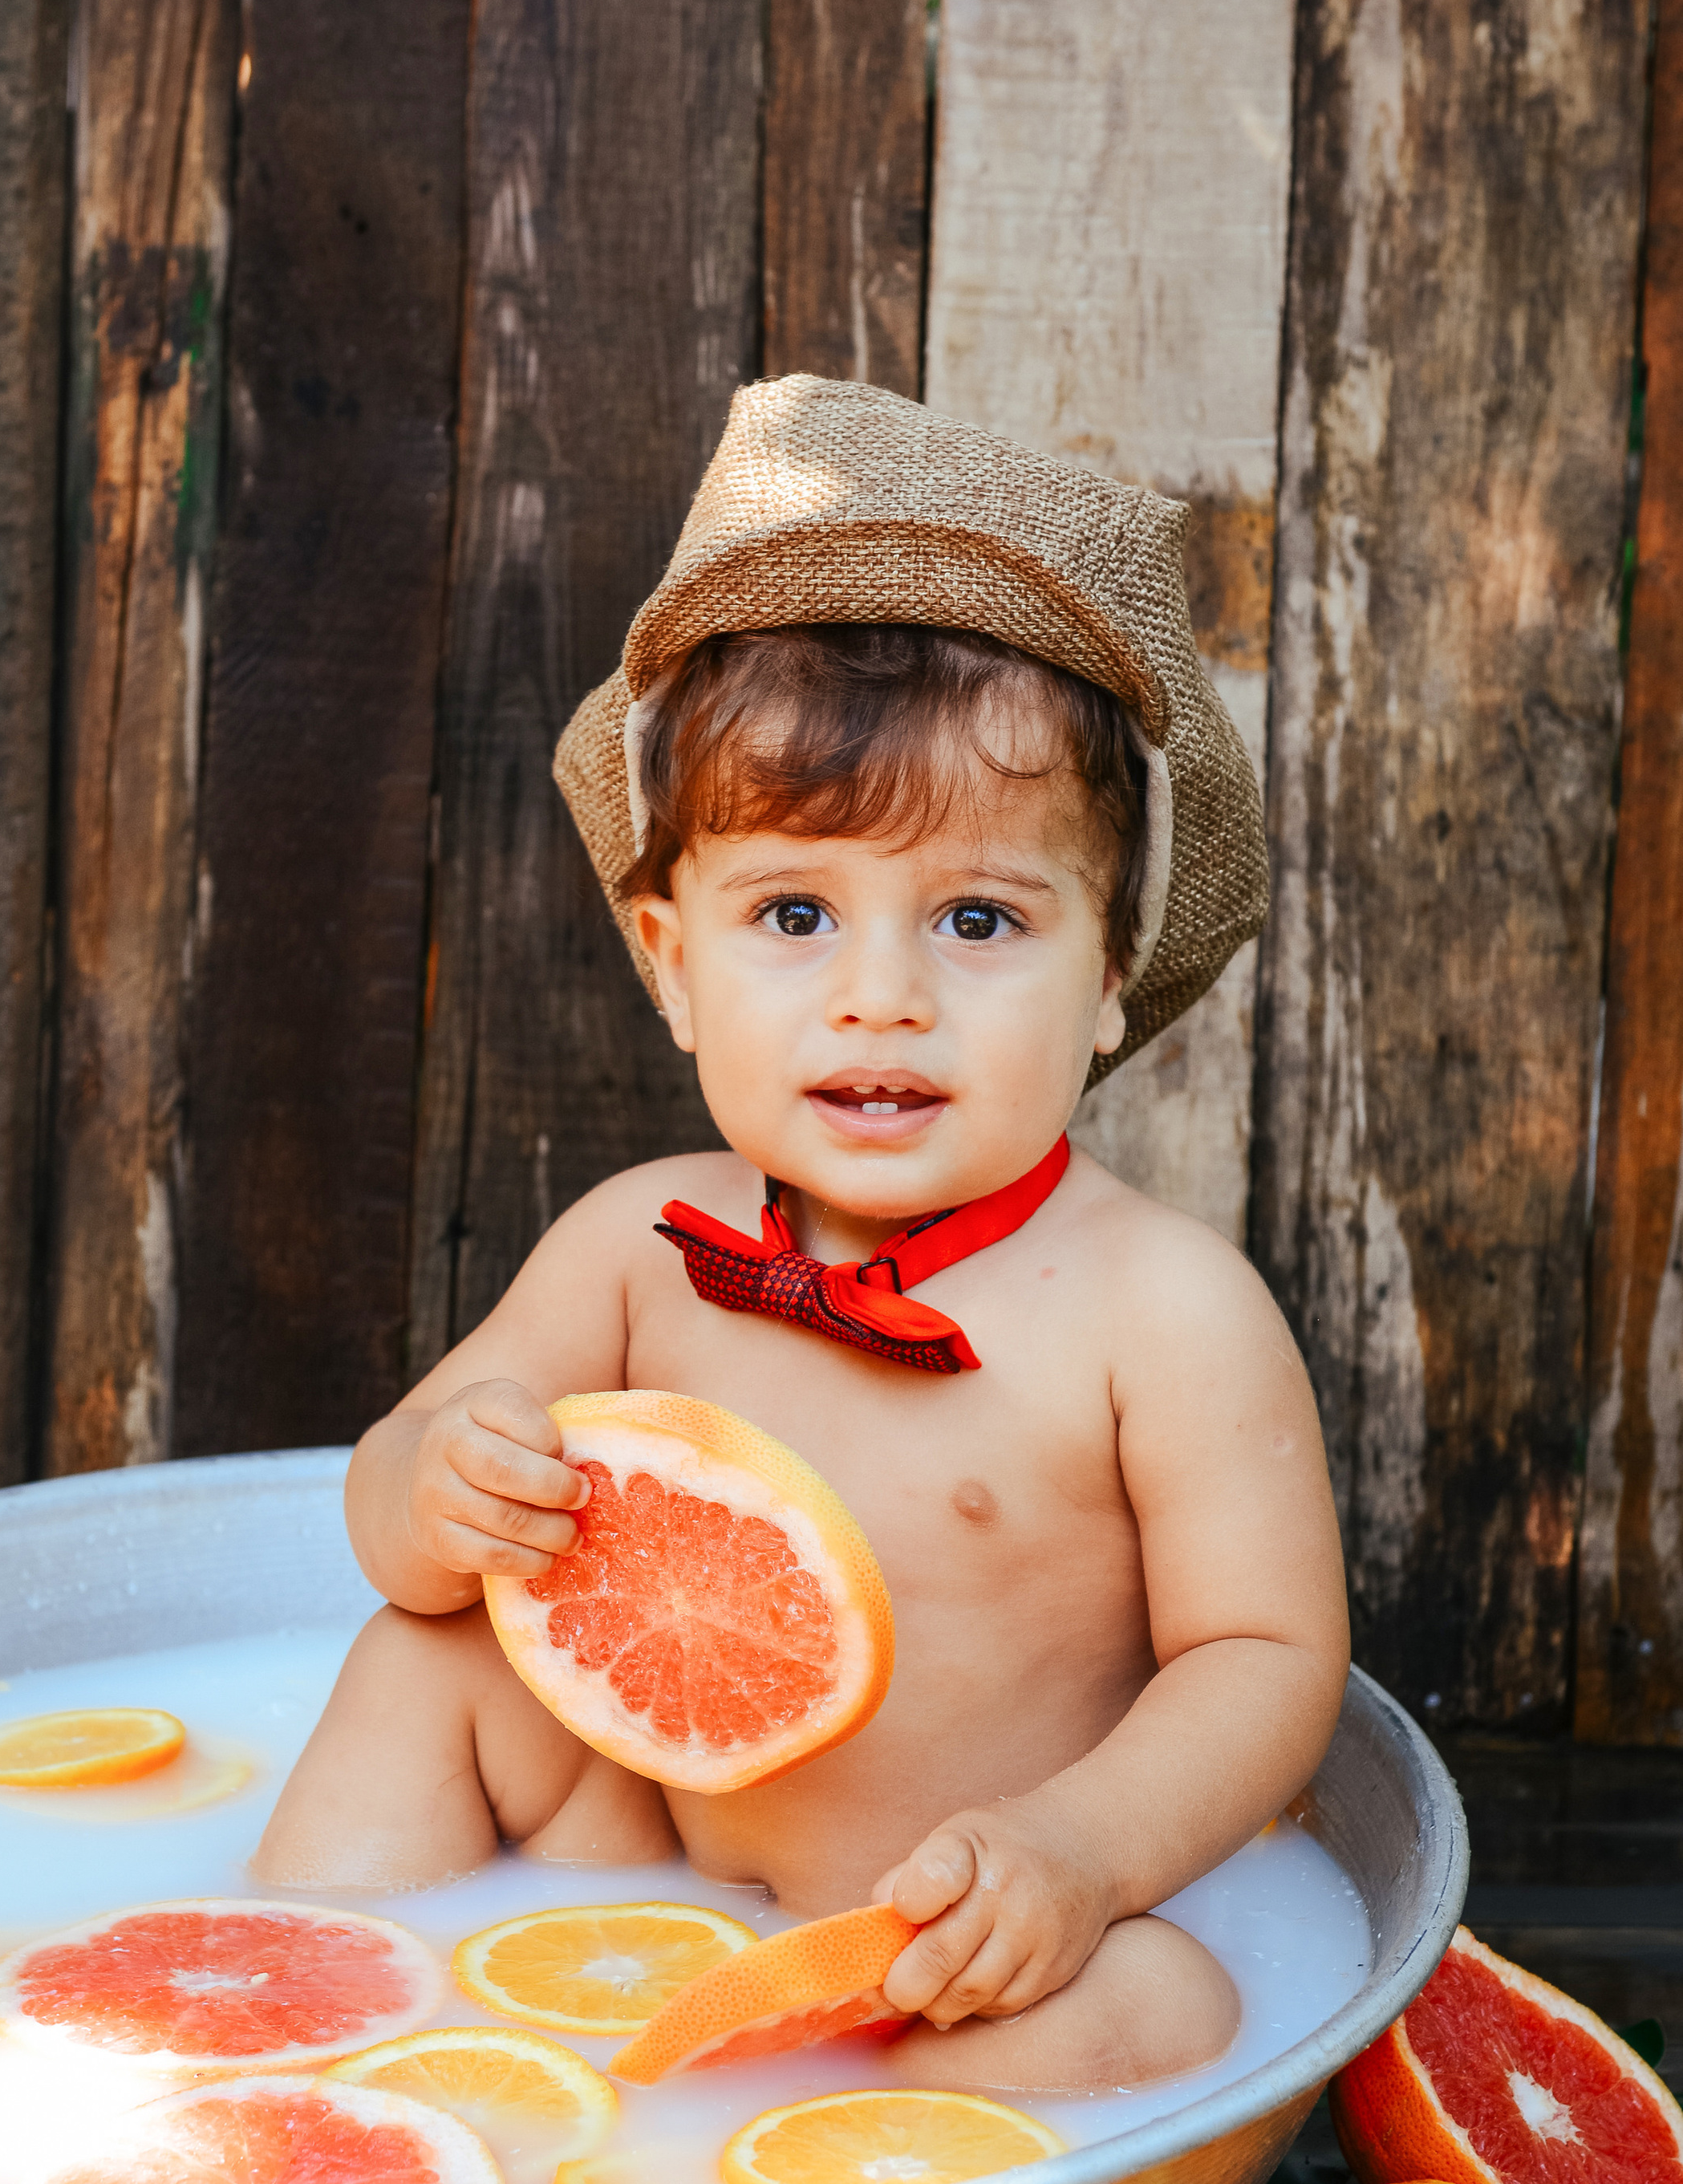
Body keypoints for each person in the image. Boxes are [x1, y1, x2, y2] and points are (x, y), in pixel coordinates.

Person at [255, 376, 1350, 2094]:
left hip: (969, 1934)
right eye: (791, 913)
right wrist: (435, 1484)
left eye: (978, 918)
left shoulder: (1160, 1311)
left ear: (1109, 975)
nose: (880, 998)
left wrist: (1077, 1851)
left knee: (1163, 2008)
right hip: (638, 1869)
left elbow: (1266, 1662)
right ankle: (308, 2012)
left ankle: (834, 2154)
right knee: (425, 1652)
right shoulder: (635, 1244)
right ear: (670, 960)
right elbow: (398, 1519)